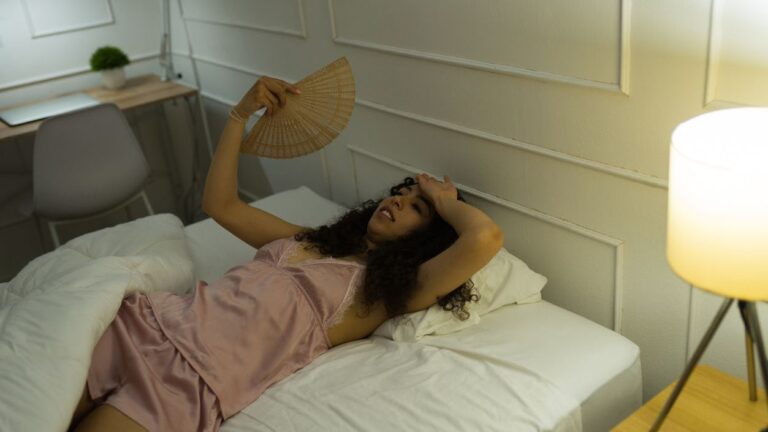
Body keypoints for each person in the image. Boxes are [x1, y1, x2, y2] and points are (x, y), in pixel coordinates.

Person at [69, 76, 503, 432]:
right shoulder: (314, 240)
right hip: (149, 324)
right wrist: (239, 116)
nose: (398, 200)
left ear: (426, 241)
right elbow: (220, 205)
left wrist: (442, 201)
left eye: (416, 208)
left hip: (189, 382)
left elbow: (485, 237)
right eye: (403, 192)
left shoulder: (386, 293)